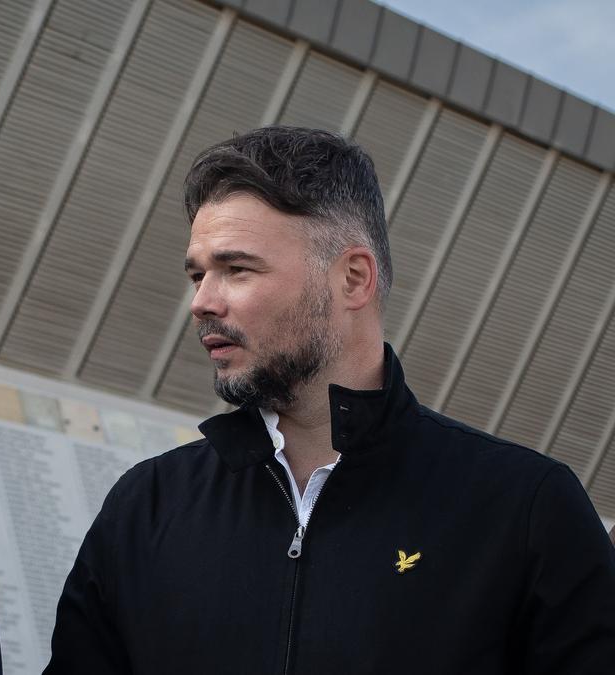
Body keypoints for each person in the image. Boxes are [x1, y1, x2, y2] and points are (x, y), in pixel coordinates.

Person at [46, 126, 615, 673]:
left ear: (353, 279)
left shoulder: (525, 509)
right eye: (199, 275)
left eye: (236, 269)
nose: (202, 302)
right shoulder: (146, 507)